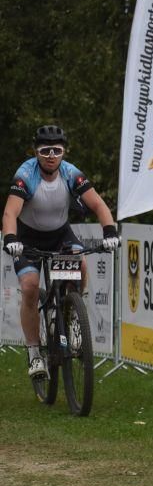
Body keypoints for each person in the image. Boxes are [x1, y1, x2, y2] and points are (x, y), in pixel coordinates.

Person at [2, 125, 120, 380]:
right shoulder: (26, 174)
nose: (51, 156)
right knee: (30, 287)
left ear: (64, 151)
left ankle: (74, 314)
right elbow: (10, 212)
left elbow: (98, 204)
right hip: (28, 238)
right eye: (45, 151)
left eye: (57, 150)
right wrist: (10, 238)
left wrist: (110, 232)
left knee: (81, 266)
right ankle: (34, 353)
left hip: (60, 235)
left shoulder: (70, 173)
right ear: (36, 152)